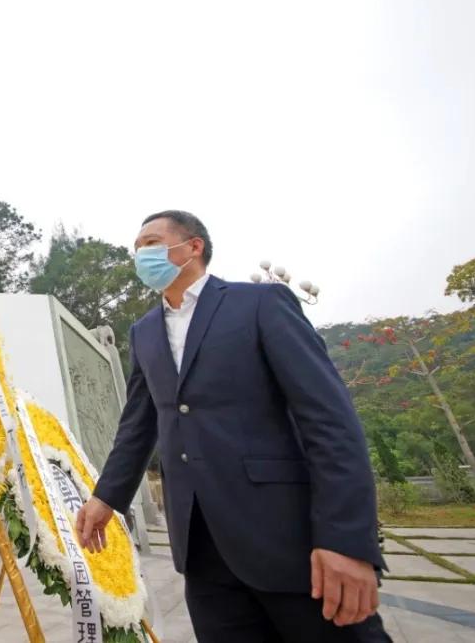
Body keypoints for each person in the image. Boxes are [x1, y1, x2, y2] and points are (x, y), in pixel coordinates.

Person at [75, 210, 391, 642]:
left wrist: (348, 541)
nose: (140, 255)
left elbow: (329, 420)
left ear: (192, 247)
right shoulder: (144, 332)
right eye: (137, 249)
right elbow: (137, 426)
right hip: (202, 551)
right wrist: (105, 498)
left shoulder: (260, 304)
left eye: (150, 243)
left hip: (287, 541)